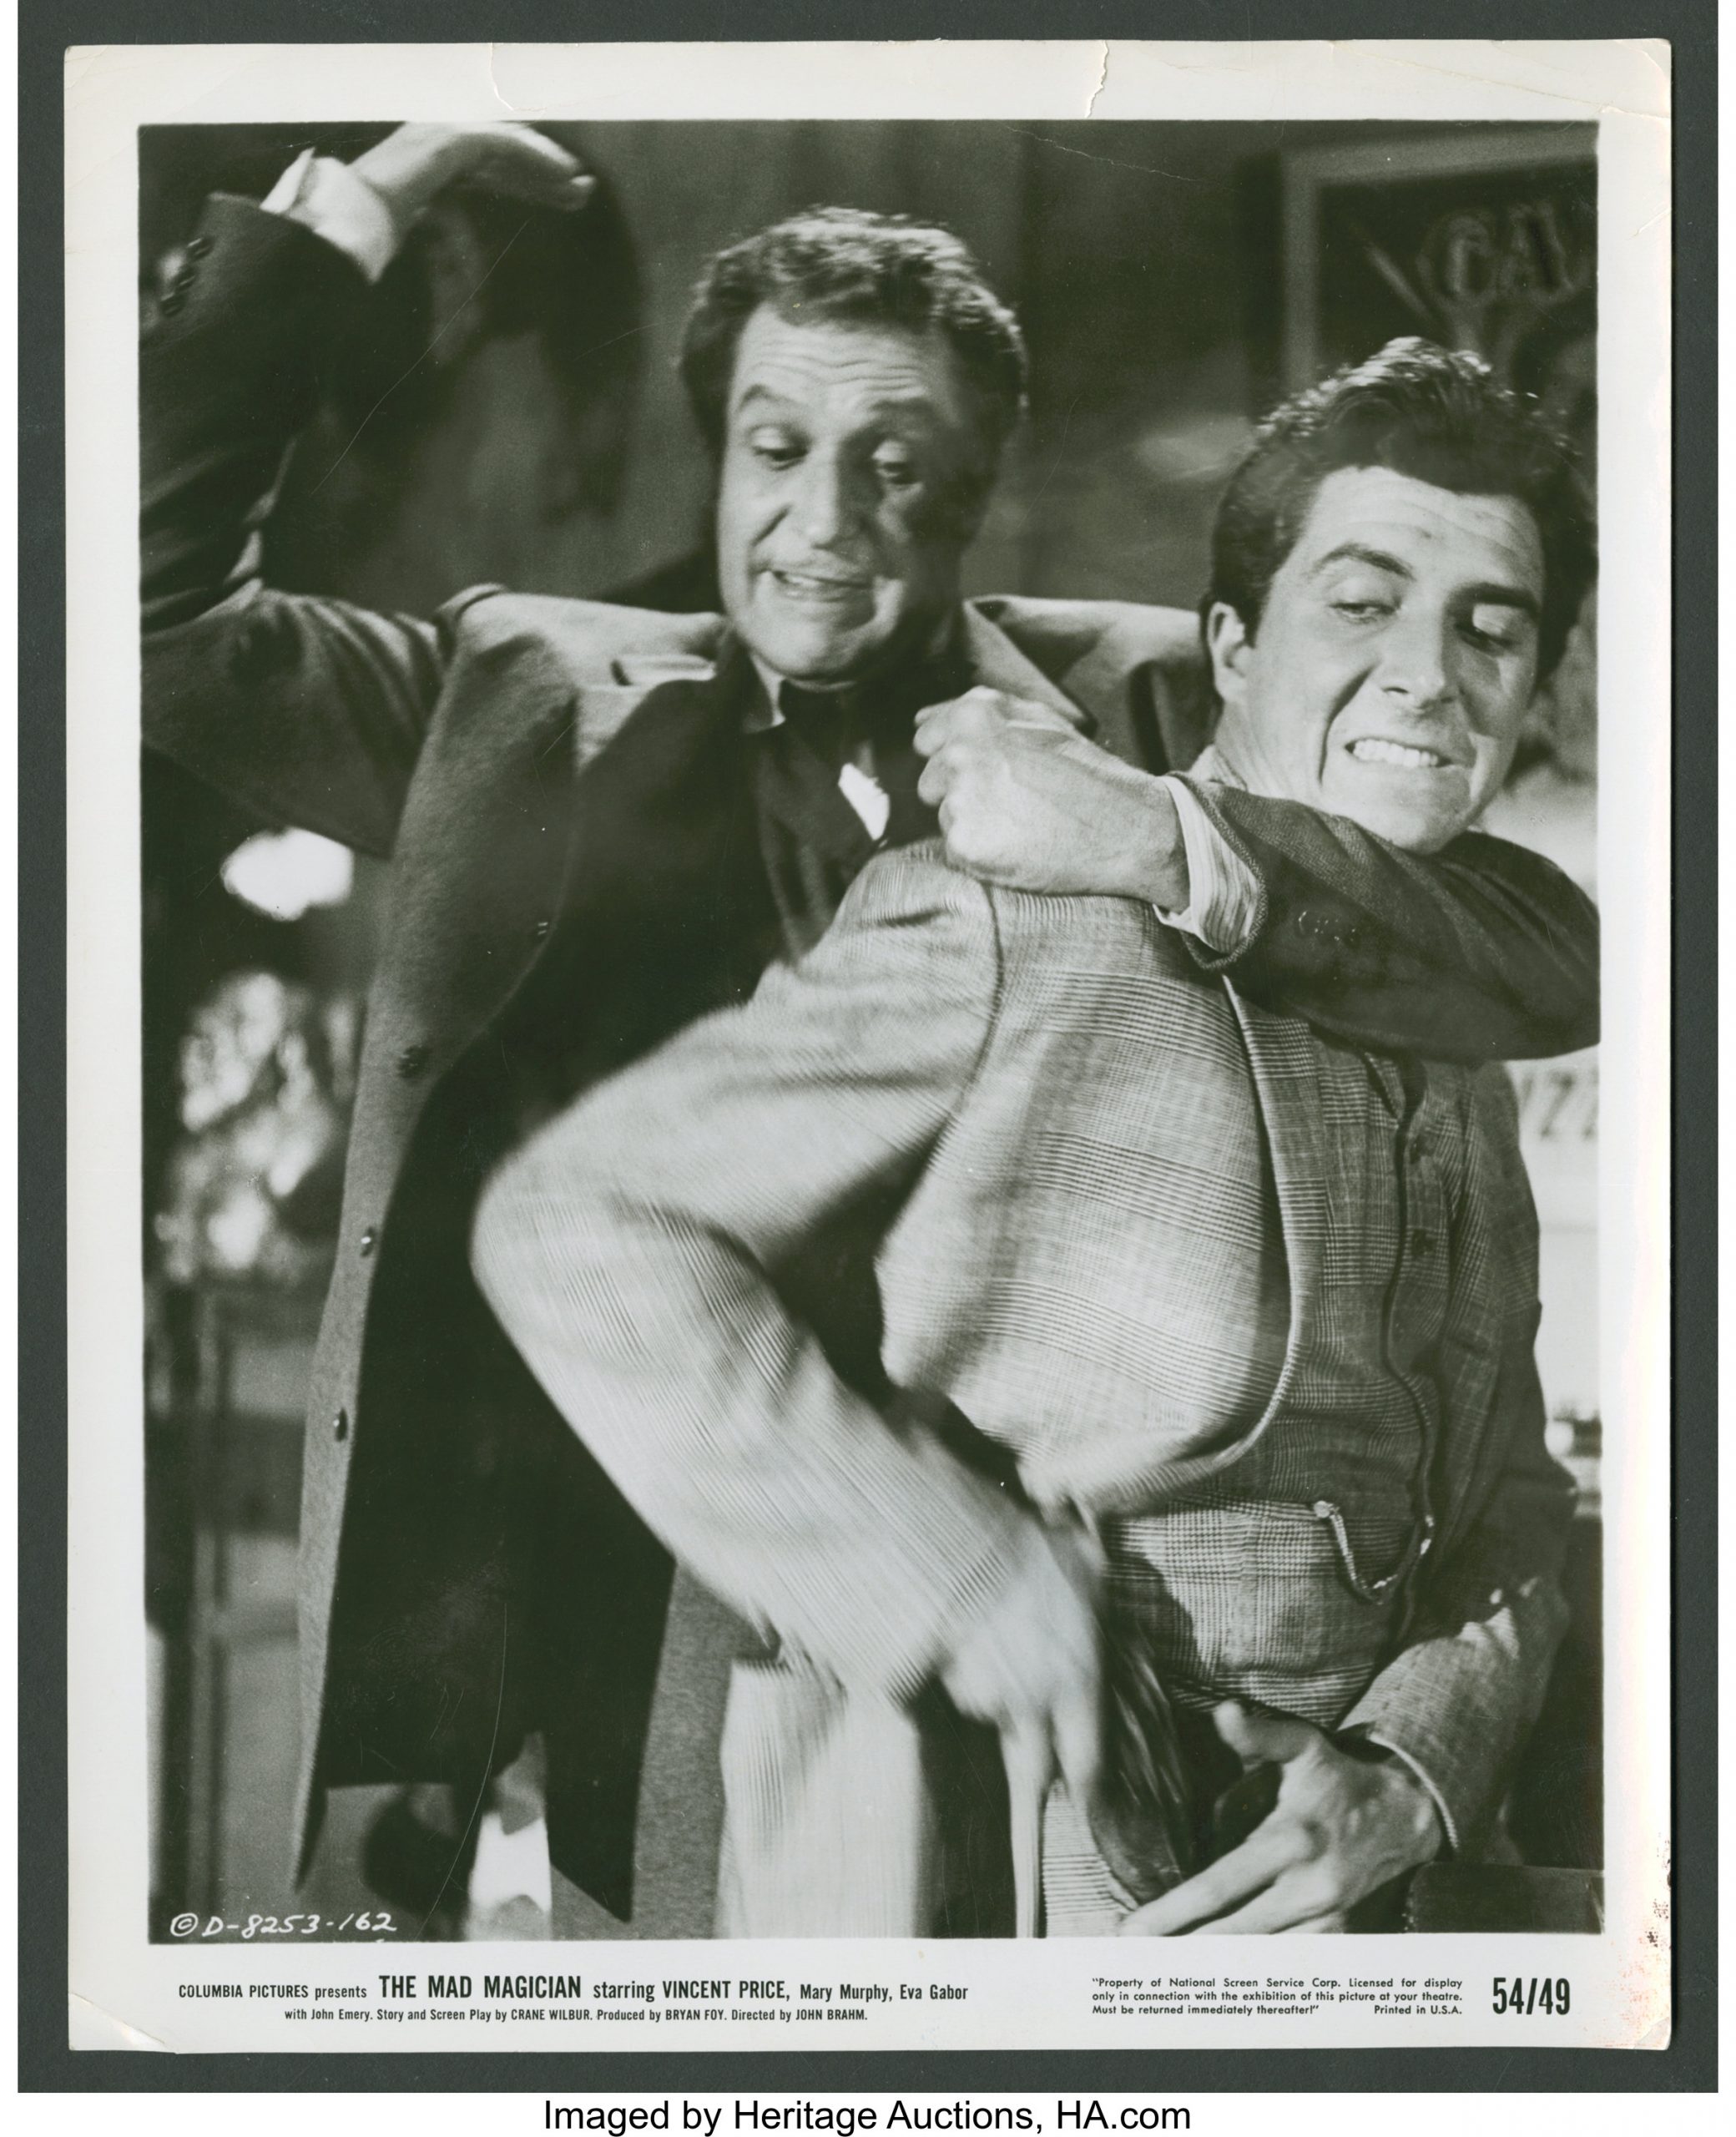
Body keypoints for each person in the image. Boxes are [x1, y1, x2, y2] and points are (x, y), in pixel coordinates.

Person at [142, 118, 1597, 1936]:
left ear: (974, 494)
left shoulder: (1158, 701)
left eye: (898, 468)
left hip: (958, 1676)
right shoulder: (509, 700)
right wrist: (336, 228)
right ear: (717, 452)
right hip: (537, 1566)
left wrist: (1141, 831)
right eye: (777, 449)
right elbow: (147, 616)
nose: (826, 524)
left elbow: (1509, 935)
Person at [474, 336, 1595, 1936]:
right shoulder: (1021, 920)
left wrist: (1413, 1764)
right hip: (1005, 1859)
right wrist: (956, 1580)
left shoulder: (1465, 1001)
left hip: (1362, 1899)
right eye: (1361, 602)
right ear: (1230, 646)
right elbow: (580, 1224)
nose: (1428, 672)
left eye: (1491, 627)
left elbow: (1508, 1493)